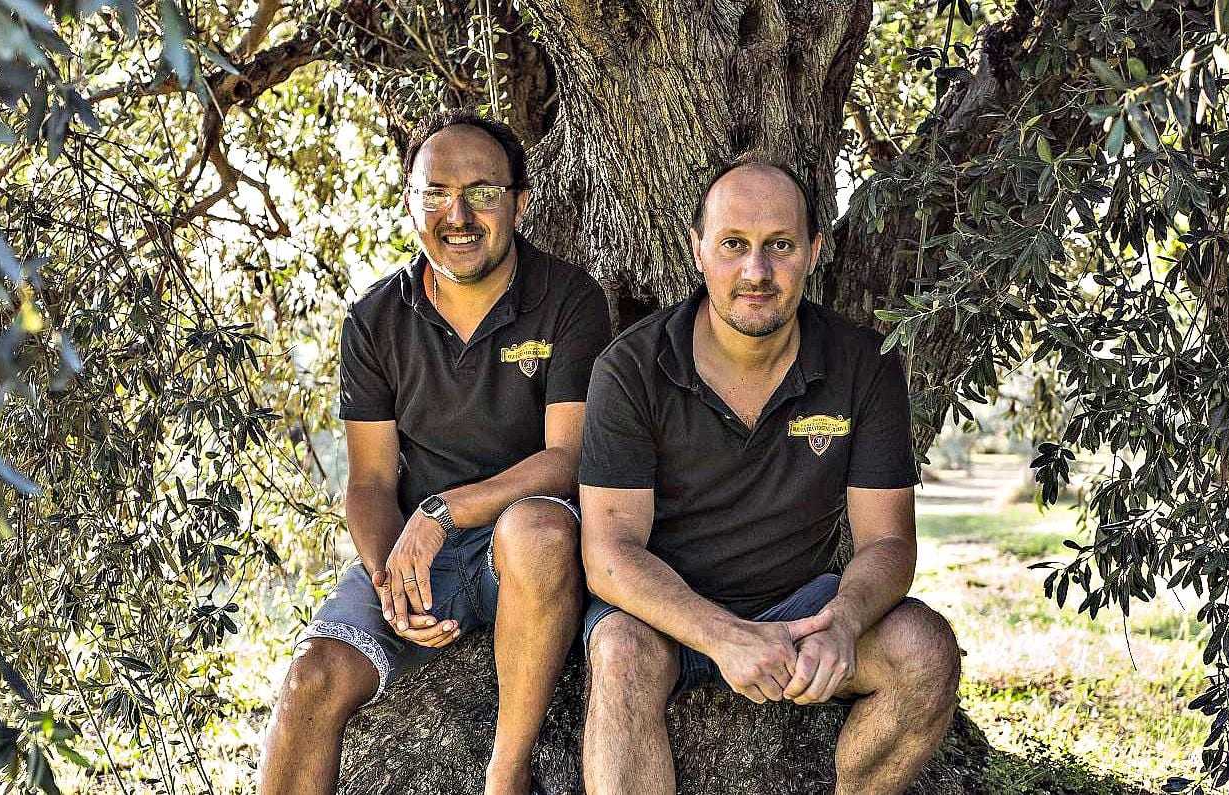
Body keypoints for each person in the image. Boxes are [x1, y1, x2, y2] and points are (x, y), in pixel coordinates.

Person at [576, 159, 961, 794]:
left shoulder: (863, 365)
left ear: (814, 250)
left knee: (924, 648)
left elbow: (889, 541)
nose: (756, 272)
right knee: (619, 654)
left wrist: (843, 622)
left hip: (802, 608)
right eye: (734, 245)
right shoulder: (632, 368)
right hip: (664, 614)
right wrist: (723, 636)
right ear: (698, 249)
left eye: (779, 246)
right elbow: (609, 553)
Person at [259, 110, 611, 795]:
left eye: (482, 193)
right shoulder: (374, 319)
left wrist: (443, 511)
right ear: (410, 202)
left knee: (536, 530)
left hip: (528, 548)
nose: (459, 215)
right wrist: (389, 578)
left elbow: (568, 459)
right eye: (437, 193)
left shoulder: (570, 299)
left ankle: (506, 774)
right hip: (421, 554)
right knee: (310, 677)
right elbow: (368, 481)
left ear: (520, 202)